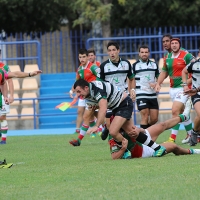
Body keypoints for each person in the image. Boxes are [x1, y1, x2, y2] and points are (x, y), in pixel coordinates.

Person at [73, 79, 166, 157]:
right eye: (76, 92)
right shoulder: (87, 96)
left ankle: (125, 151)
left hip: (124, 103)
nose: (77, 95)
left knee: (113, 131)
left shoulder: (96, 89)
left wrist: (97, 126)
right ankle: (158, 148)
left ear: (86, 88)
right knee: (131, 132)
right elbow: (94, 112)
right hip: (115, 107)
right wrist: (94, 111)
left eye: (78, 91)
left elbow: (103, 108)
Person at [155, 37, 195, 143]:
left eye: (175, 43)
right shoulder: (167, 56)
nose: (173, 45)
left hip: (184, 88)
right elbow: (164, 72)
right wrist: (158, 83)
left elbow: (196, 68)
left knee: (175, 111)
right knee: (182, 113)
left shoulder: (186, 55)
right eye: (172, 43)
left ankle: (172, 139)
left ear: (179, 44)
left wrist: (188, 83)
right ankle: (192, 135)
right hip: (173, 89)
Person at [108, 114, 200, 159]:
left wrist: (140, 130)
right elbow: (114, 157)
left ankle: (184, 116)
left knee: (162, 125)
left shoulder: (126, 122)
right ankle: (193, 151)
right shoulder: (113, 134)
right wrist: (123, 149)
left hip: (142, 139)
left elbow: (139, 131)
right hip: (143, 151)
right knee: (173, 147)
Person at [99, 41, 136, 141]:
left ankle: (132, 146)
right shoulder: (103, 66)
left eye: (114, 50)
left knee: (129, 127)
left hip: (124, 98)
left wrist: (132, 89)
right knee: (112, 128)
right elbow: (100, 85)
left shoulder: (126, 64)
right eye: (109, 51)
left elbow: (132, 79)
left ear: (118, 51)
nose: (112, 53)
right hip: (111, 100)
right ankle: (108, 129)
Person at [69, 49, 101, 146]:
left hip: (97, 95)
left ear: (87, 57)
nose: (82, 59)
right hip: (88, 96)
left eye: (84, 57)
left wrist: (95, 86)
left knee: (92, 115)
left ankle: (104, 130)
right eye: (80, 57)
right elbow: (77, 82)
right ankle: (79, 140)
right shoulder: (79, 69)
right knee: (89, 116)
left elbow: (101, 76)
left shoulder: (93, 67)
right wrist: (72, 90)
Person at [132, 45, 159, 129]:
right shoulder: (134, 66)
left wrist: (157, 84)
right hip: (141, 93)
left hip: (152, 94)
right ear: (139, 54)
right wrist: (132, 90)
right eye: (142, 52)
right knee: (145, 115)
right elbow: (131, 79)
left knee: (154, 119)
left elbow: (159, 77)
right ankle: (144, 140)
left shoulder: (154, 65)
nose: (144, 54)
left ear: (149, 53)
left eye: (146, 52)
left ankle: (146, 131)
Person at [182, 59, 200, 146]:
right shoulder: (194, 64)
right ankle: (194, 133)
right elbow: (184, 71)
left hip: (196, 90)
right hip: (196, 94)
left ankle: (196, 132)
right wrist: (185, 85)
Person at [0, 62, 14, 144]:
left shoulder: (4, 67)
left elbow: (10, 81)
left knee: (2, 117)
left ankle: (3, 140)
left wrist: (11, 95)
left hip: (2, 95)